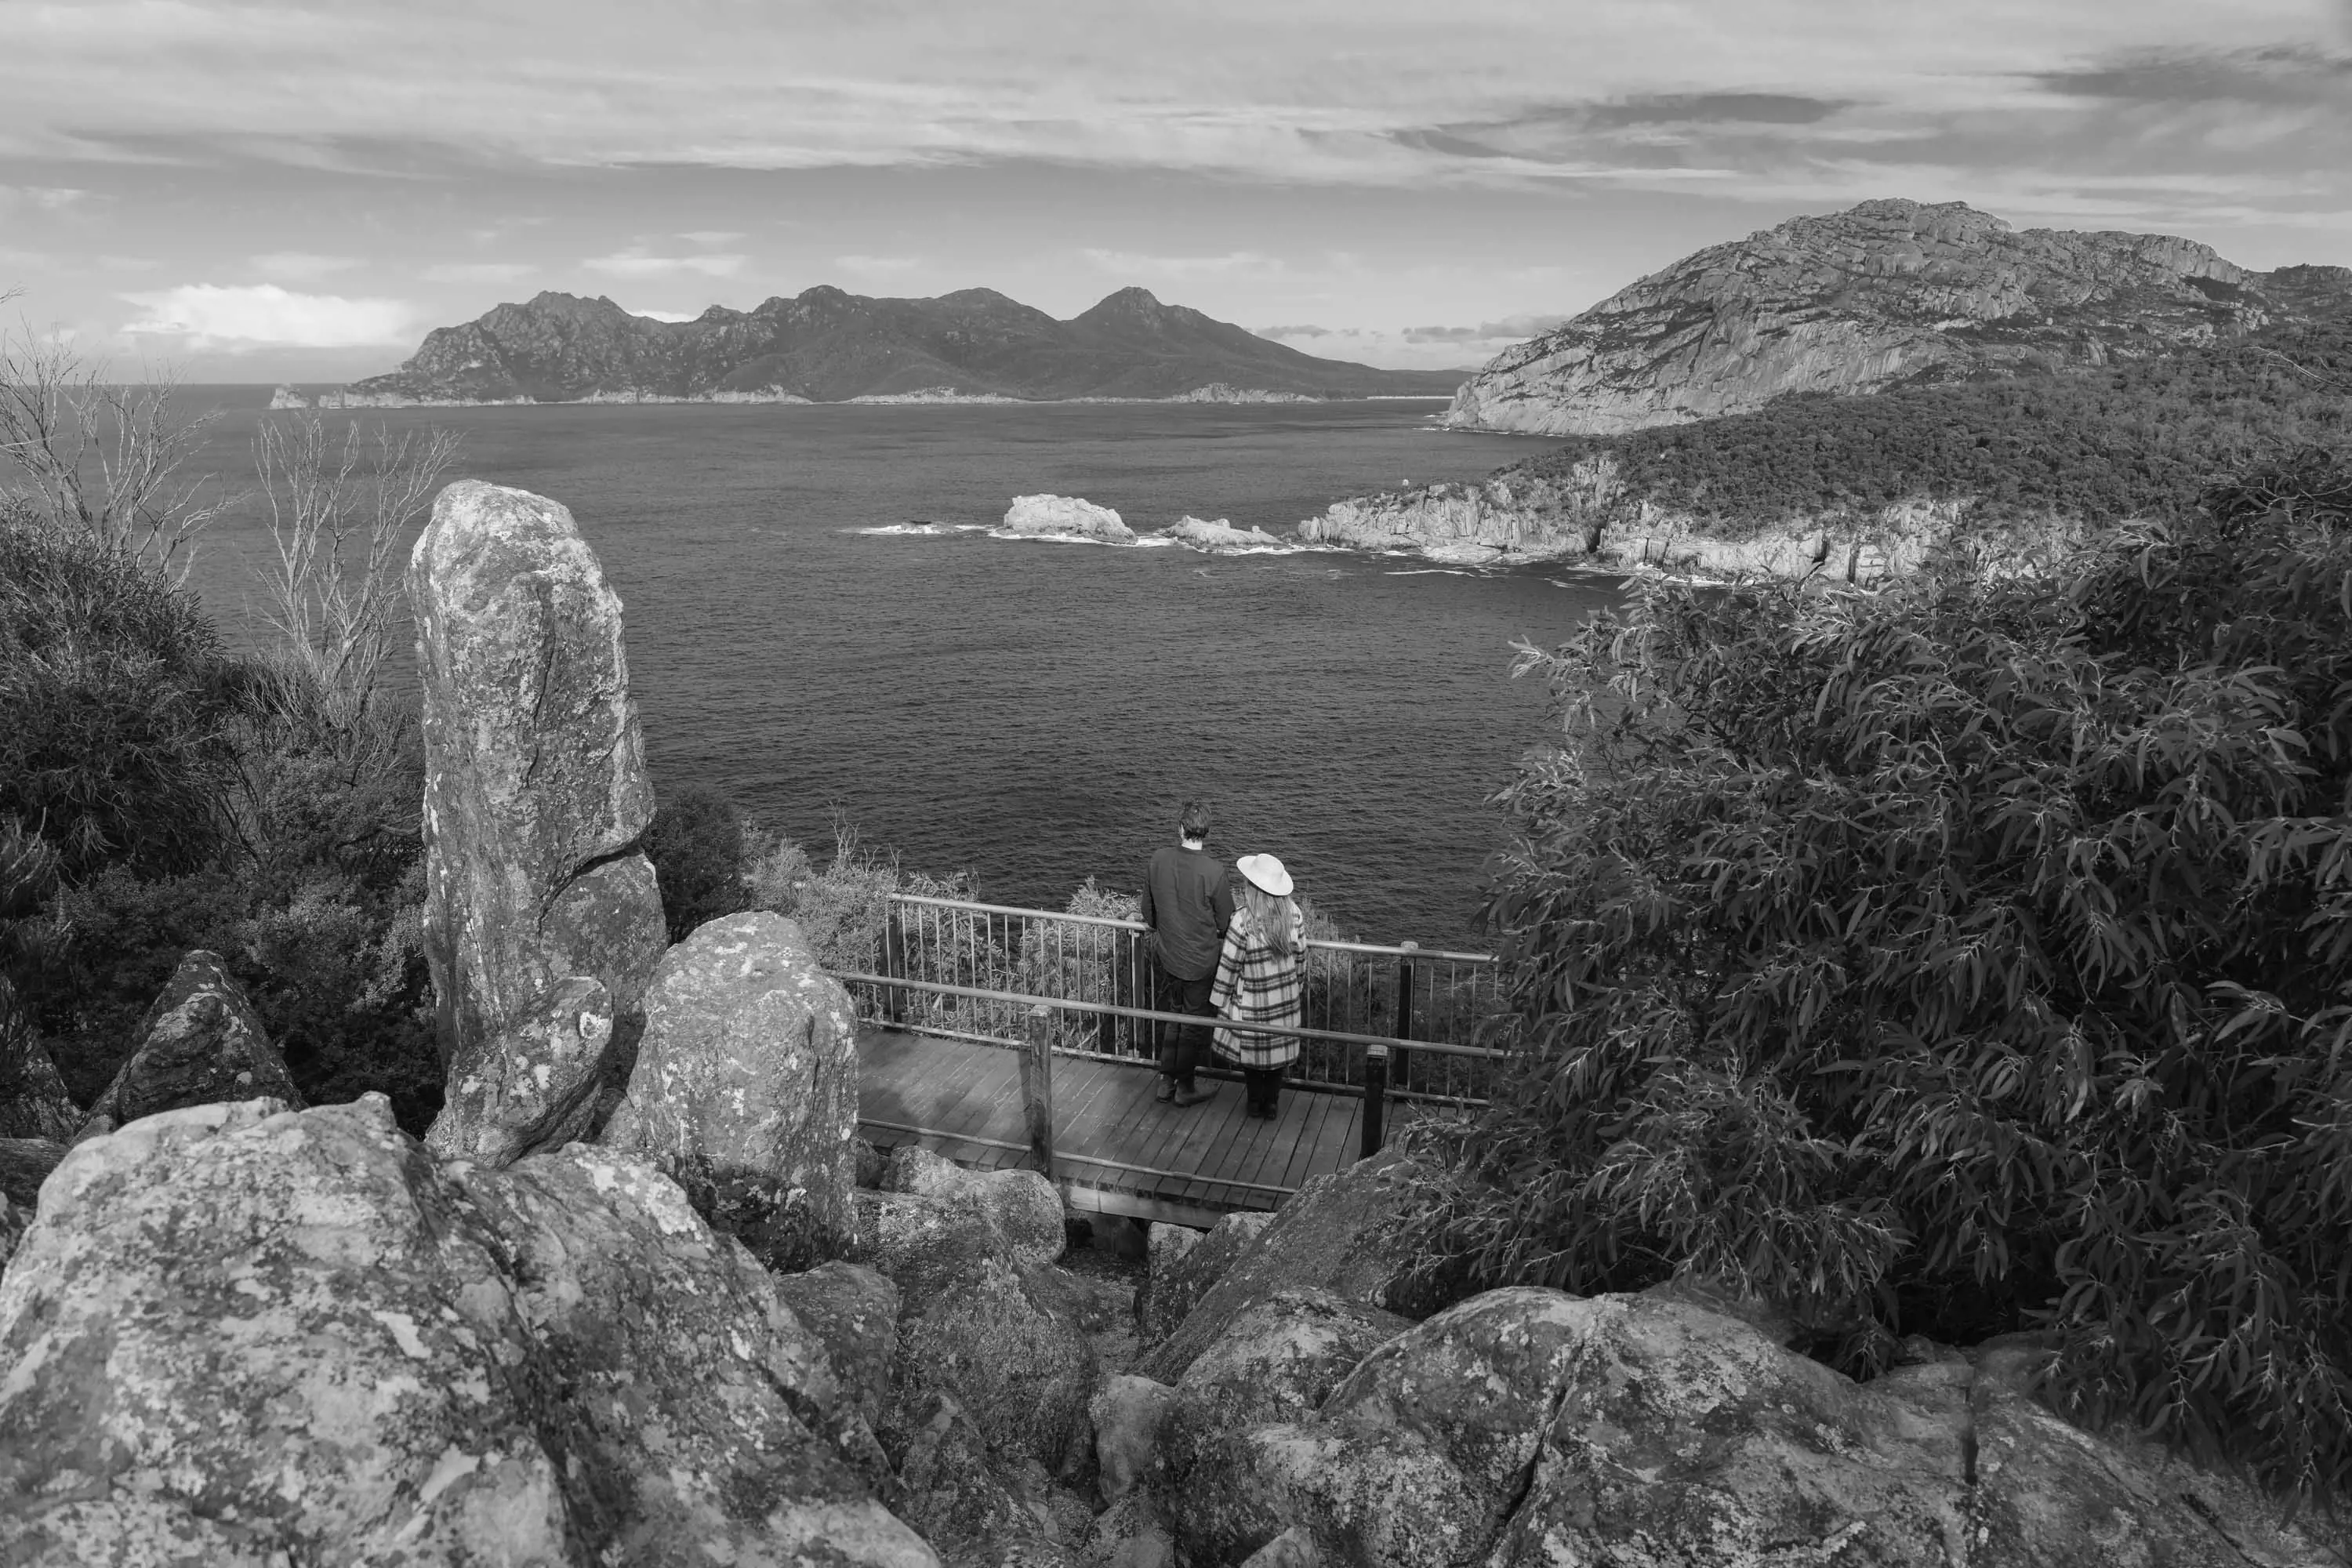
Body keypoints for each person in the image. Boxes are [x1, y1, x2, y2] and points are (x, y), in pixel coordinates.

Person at [1138, 800, 1233, 1107]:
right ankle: (1185, 1086)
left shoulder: (1158, 859)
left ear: (1180, 828)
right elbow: (1225, 922)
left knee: (1173, 1015)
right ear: (1206, 831)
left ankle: (1166, 1081)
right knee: (1192, 1024)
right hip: (1200, 961)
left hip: (1169, 956)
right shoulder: (1214, 871)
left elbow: (1148, 912)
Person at [1209, 852, 1307, 1120]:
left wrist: (1219, 998)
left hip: (1253, 998)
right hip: (1285, 997)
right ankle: (1272, 1102)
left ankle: (1254, 1102)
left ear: (1253, 887)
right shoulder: (1294, 914)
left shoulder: (1243, 920)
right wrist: (1297, 985)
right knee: (1277, 1054)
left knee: (1252, 1055)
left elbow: (1230, 963)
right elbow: (1301, 957)